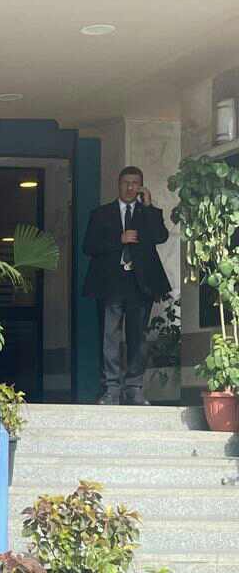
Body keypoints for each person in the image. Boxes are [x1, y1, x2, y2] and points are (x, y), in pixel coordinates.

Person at [83, 166, 171, 406]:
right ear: (119, 184)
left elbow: (160, 236)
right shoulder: (101, 213)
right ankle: (110, 389)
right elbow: (88, 246)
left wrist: (149, 206)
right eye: (126, 182)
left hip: (140, 285)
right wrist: (118, 240)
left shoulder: (148, 212)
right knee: (108, 337)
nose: (130, 187)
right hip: (110, 283)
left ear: (140, 186)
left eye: (135, 183)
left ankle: (134, 388)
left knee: (137, 338)